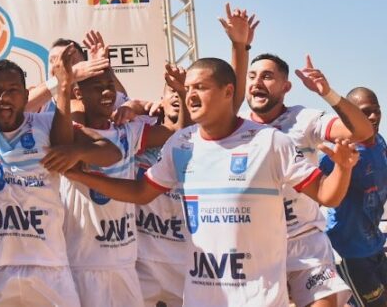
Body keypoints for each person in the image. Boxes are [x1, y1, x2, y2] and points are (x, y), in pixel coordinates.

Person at [59, 57, 359, 306]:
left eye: (200, 87)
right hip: (201, 295)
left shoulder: (269, 142)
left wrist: (343, 169)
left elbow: (326, 196)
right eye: (188, 88)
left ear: (228, 92)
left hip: (258, 298)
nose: (190, 95)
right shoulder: (181, 143)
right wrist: (80, 175)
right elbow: (140, 192)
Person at [46, 64, 185, 307]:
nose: (106, 93)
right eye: (97, 88)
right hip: (82, 263)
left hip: (125, 263)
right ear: (79, 95)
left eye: (109, 86)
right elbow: (98, 152)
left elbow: (177, 131)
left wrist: (182, 92)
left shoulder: (129, 132)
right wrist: (63, 86)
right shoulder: (72, 132)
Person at [242, 52, 371, 307]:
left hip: (305, 243)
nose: (257, 82)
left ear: (286, 86)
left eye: (267, 76)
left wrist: (328, 93)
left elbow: (363, 131)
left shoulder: (303, 119)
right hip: (257, 247)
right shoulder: (236, 126)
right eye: (252, 76)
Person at [0, 56, 87, 306]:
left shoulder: (45, 124)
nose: (4, 98)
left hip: (48, 265)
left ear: (25, 95)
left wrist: (63, 87)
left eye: (12, 90)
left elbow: (68, 146)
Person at [320, 87, 387, 307]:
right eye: (366, 112)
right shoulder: (339, 152)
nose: (374, 116)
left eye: (376, 110)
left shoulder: (380, 142)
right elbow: (313, 190)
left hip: (375, 244)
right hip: (350, 251)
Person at [135, 84, 190, 307]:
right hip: (140, 264)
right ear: (161, 98)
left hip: (184, 263)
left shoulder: (203, 138)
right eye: (172, 91)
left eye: (184, 91)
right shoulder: (138, 130)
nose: (177, 96)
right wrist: (134, 106)